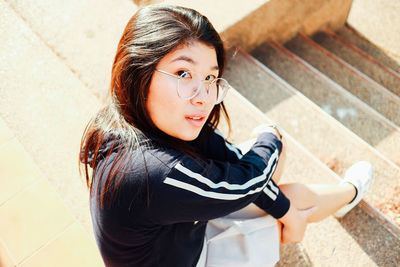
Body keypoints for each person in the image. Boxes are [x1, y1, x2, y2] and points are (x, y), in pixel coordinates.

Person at [79, 4, 373, 267]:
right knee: (284, 189)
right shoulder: (155, 172)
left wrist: (282, 202)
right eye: (183, 73)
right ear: (137, 71)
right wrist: (270, 134)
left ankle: (339, 197)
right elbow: (249, 181)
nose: (203, 97)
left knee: (272, 175)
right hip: (192, 257)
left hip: (179, 236)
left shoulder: (136, 120)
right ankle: (348, 194)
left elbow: (239, 168)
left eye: (209, 77)